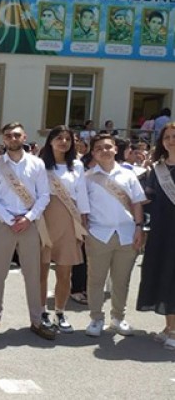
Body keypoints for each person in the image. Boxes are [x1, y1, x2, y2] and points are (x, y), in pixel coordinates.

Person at [0, 122, 55, 340]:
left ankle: (36, 320)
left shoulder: (36, 164)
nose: (12, 139)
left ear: (24, 137)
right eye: (8, 136)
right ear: (3, 139)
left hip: (29, 224)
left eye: (16, 135)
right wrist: (9, 219)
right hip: (3, 223)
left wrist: (27, 218)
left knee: (32, 274)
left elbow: (44, 196)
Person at [84, 134, 146, 337]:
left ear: (115, 149)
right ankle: (96, 318)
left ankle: (118, 318)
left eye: (108, 147)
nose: (104, 151)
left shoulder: (128, 175)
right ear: (93, 153)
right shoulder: (88, 178)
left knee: (121, 280)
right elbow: (83, 209)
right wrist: (86, 234)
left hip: (127, 234)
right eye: (99, 148)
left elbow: (137, 203)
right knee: (96, 280)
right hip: (99, 234)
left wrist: (139, 227)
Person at [39, 126, 90, 333]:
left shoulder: (76, 165)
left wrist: (83, 222)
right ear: (50, 141)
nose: (63, 142)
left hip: (69, 221)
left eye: (68, 139)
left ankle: (59, 312)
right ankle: (41, 312)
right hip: (44, 220)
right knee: (41, 271)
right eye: (59, 138)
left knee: (64, 272)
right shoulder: (40, 165)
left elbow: (82, 195)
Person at [137, 122, 175, 349]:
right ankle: (169, 326)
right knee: (164, 274)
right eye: (167, 137)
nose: (171, 140)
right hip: (161, 231)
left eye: (174, 136)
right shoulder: (156, 170)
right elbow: (146, 199)